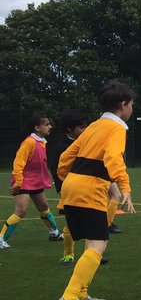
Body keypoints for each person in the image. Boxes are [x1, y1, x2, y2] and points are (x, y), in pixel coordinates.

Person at [53, 81, 137, 300]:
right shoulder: (116, 128)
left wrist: (69, 179)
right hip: (89, 190)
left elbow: (65, 158)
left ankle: (81, 294)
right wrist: (125, 186)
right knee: (98, 244)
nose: (132, 109)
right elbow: (113, 157)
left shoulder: (93, 126)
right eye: (131, 105)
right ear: (123, 104)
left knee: (92, 243)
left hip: (72, 186)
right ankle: (69, 298)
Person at [1, 114, 64, 250]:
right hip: (23, 181)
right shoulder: (29, 142)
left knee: (44, 207)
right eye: (46, 124)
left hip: (35, 182)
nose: (50, 127)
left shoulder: (42, 142)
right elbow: (18, 163)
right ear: (37, 128)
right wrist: (18, 182)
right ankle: (1, 239)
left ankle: (54, 233)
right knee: (21, 211)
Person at [47, 110, 90, 264]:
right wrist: (62, 189)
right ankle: (68, 254)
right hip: (70, 190)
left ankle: (91, 253)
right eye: (81, 127)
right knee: (71, 223)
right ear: (69, 129)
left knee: (91, 222)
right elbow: (55, 169)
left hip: (89, 189)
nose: (85, 130)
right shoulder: (62, 147)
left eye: (86, 126)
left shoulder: (89, 142)